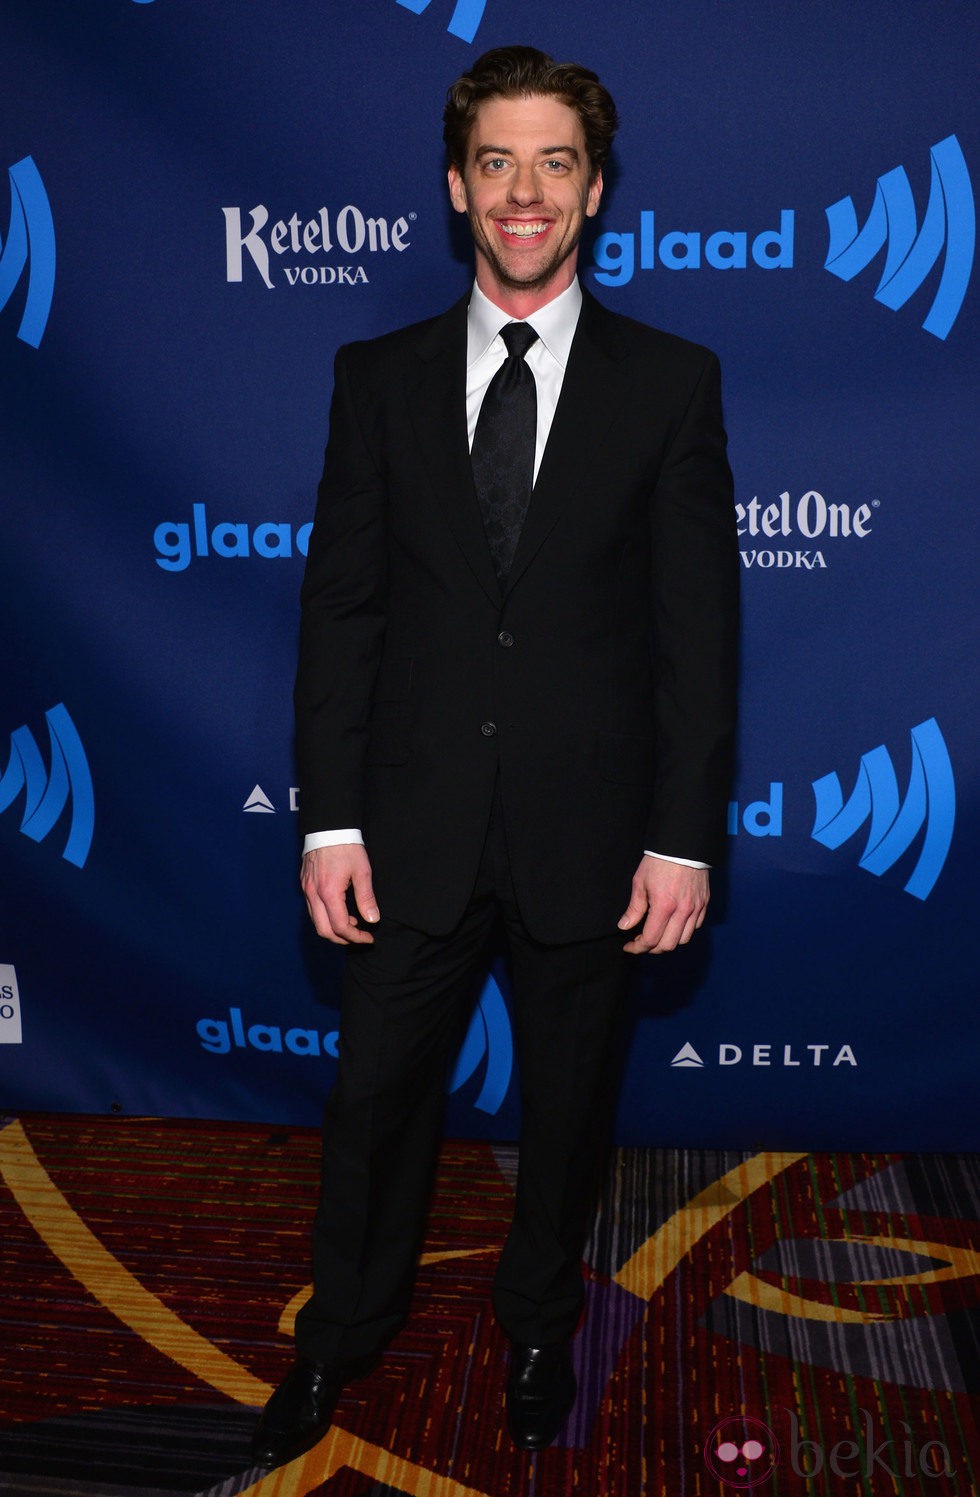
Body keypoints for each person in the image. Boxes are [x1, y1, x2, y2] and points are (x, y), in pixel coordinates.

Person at [251, 44, 738, 1469]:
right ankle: (338, 1334)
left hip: (595, 832)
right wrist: (328, 819)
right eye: (498, 163)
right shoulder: (377, 378)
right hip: (407, 829)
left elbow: (697, 636)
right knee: (371, 1104)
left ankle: (539, 1323)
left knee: (573, 1105)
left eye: (557, 164)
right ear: (457, 188)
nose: (526, 192)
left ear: (594, 193)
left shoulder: (673, 381)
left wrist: (685, 831)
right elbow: (341, 613)